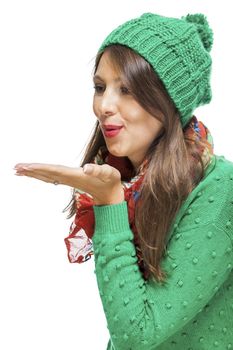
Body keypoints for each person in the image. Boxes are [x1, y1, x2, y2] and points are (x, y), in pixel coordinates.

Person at [14, 12, 233, 350]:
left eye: (127, 89)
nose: (104, 105)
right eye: (100, 87)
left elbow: (137, 335)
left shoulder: (220, 189)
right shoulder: (132, 181)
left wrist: (109, 204)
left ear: (169, 101)